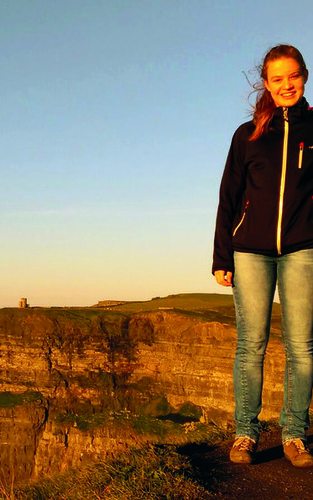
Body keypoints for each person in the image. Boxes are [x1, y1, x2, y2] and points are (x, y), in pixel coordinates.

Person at [213, 44, 313, 467]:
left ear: (304, 77)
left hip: (303, 249)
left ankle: (294, 434)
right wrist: (222, 256)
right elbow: (229, 196)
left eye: (293, 76)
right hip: (249, 250)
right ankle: (245, 434)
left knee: (302, 347)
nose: (286, 84)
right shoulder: (247, 134)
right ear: (267, 84)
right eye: (277, 79)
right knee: (250, 345)